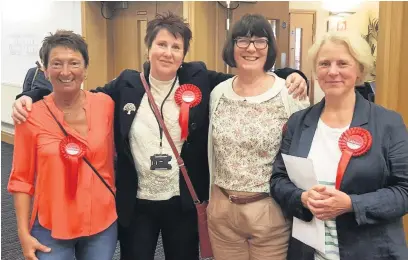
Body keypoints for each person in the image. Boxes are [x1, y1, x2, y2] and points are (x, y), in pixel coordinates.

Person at [11, 13, 309, 260]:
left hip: (183, 203)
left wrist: (293, 74)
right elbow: (75, 90)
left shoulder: (200, 78)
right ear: (149, 48)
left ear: (183, 54)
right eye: (161, 44)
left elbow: (247, 75)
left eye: (176, 46)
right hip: (137, 203)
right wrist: (31, 93)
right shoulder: (126, 84)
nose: (168, 52)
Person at [270, 31, 408, 260]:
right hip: (309, 253)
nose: (332, 71)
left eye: (342, 63)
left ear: (360, 70)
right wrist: (301, 198)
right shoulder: (298, 122)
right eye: (324, 64)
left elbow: (404, 191)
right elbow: (278, 180)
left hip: (372, 252)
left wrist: (352, 204)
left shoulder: (388, 123)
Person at [207, 14, 310, 260]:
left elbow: (305, 152)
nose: (251, 48)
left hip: (269, 211)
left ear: (269, 47)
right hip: (222, 210)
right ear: (232, 47)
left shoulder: (290, 92)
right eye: (242, 40)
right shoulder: (218, 93)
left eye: (260, 41)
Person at [8, 30, 117, 260]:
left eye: (74, 63)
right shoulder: (29, 116)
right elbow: (21, 180)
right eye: (56, 63)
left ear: (85, 69)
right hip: (51, 226)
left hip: (101, 223)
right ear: (45, 70)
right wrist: (22, 233)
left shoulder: (105, 105)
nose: (66, 72)